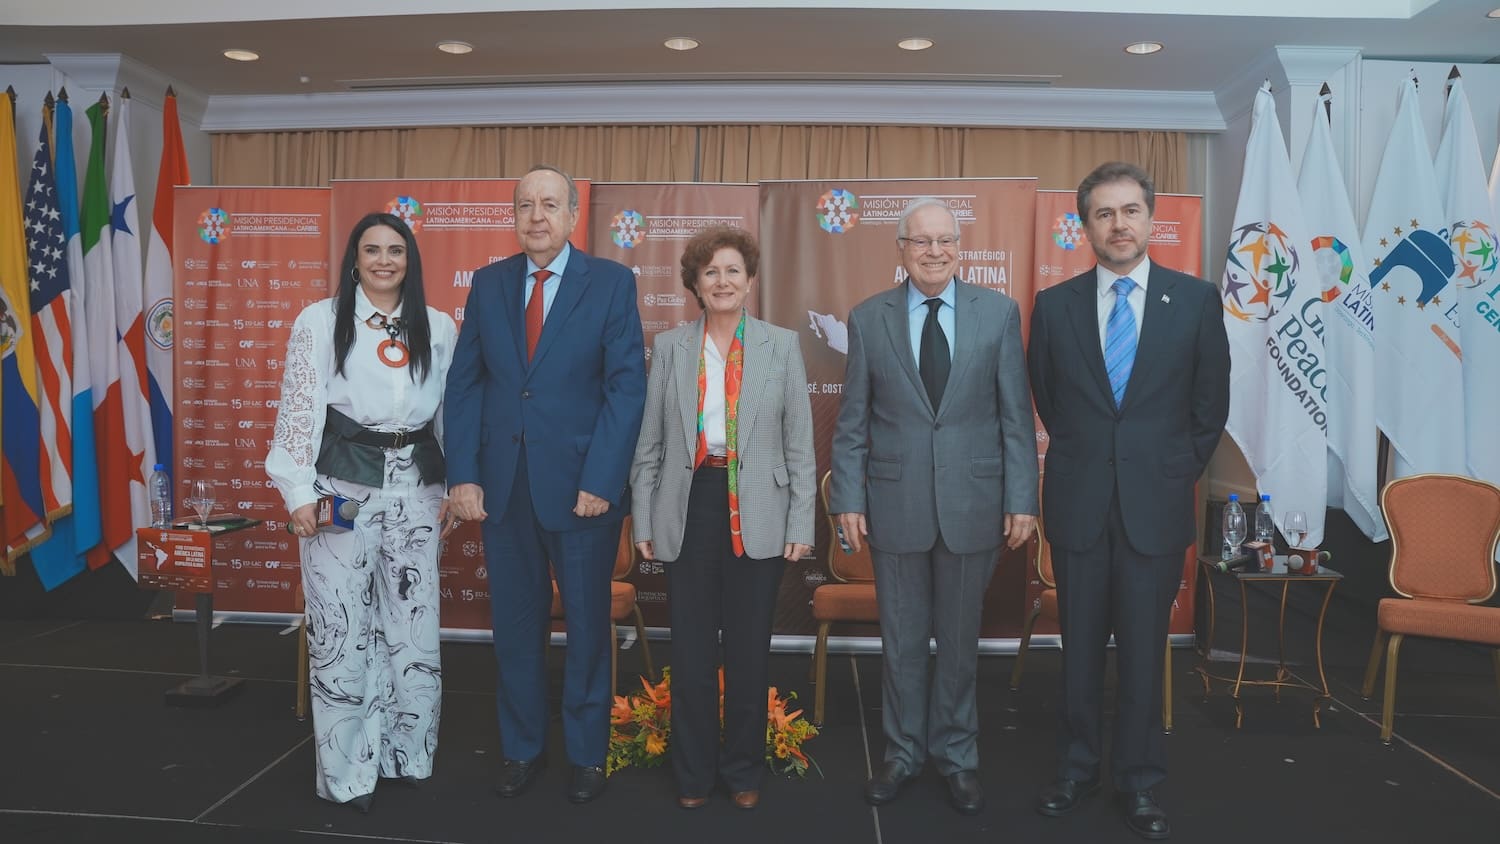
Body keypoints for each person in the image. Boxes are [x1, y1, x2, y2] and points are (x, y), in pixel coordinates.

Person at [1027, 161, 1229, 841]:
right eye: (1104, 213)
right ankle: (1077, 769)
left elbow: (1209, 409)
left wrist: (1172, 472)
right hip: (1081, 503)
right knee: (1079, 649)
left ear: (1151, 218)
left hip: (1155, 507)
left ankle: (1139, 781)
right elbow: (1051, 401)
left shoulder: (1196, 300)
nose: (1119, 224)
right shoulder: (1054, 306)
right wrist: (1094, 458)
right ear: (1084, 225)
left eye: (1130, 211)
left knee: (1145, 653)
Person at [444, 164, 646, 804]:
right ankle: (522, 748)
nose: (537, 216)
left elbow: (625, 388)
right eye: (526, 205)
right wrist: (464, 474)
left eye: (550, 204)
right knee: (517, 629)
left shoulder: (612, 284)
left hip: (582, 491)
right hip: (501, 489)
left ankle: (587, 754)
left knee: (588, 628)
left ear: (572, 215)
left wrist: (602, 479)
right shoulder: (489, 284)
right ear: (514, 215)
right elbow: (466, 383)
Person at [829, 198, 1038, 816]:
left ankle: (958, 757)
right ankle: (901, 754)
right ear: (901, 248)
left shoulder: (997, 313)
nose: (935, 251)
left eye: (945, 240)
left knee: (957, 642)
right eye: (921, 242)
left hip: (975, 503)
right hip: (894, 505)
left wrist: (1022, 497)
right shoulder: (869, 318)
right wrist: (846, 496)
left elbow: (1015, 417)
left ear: (960, 246)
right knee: (901, 642)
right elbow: (852, 422)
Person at [266, 212, 457, 814]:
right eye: (371, 250)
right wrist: (296, 490)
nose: (383, 260)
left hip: (419, 492)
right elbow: (299, 406)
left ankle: (407, 754)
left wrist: (455, 485)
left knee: (413, 628)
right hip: (340, 490)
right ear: (354, 259)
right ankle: (348, 773)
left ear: (411, 260)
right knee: (341, 629)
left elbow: (450, 413)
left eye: (395, 250)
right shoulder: (320, 321)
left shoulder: (438, 326)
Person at [629, 226, 815, 811]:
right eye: (710, 272)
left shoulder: (781, 346)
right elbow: (650, 444)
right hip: (689, 504)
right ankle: (692, 775)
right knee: (688, 650)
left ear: (750, 280)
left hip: (758, 503)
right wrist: (644, 519)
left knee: (748, 648)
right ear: (694, 284)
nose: (722, 281)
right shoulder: (671, 347)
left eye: (733, 271)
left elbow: (800, 446)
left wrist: (800, 524)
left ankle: (741, 771)